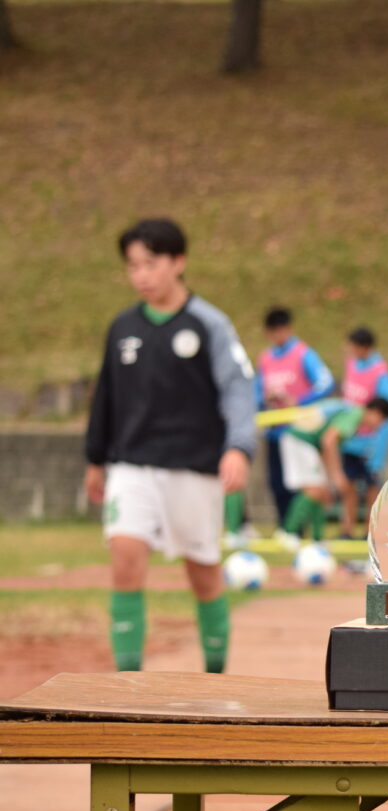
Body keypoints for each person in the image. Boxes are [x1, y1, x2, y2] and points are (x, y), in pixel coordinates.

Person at [84, 218, 257, 674]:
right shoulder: (122, 327)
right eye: (133, 265)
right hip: (132, 466)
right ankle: (127, 682)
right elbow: (106, 396)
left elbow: (238, 389)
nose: (141, 274)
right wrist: (95, 459)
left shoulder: (209, 324)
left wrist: (238, 447)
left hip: (194, 468)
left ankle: (215, 675)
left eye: (151, 263)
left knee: (203, 575)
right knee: (124, 558)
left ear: (178, 262)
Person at [257, 307, 334, 530]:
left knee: (303, 483)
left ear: (287, 329)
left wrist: (299, 402)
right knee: (277, 483)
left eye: (279, 330)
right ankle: (285, 529)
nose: (276, 336)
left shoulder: (303, 354)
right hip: (274, 431)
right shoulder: (266, 358)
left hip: (299, 432)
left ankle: (303, 530)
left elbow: (325, 383)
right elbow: (256, 390)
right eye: (271, 332)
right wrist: (265, 398)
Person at [279, 397, 388, 541]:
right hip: (301, 440)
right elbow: (328, 440)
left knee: (322, 491)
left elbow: (325, 445)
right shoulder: (355, 415)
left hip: (306, 442)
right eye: (382, 421)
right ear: (376, 413)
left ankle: (317, 539)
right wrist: (337, 475)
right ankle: (287, 533)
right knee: (314, 490)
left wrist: (328, 479)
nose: (379, 426)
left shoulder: (351, 413)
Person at [339, 327, 388, 535]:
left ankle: (369, 530)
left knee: (372, 487)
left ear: (365, 347)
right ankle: (347, 529)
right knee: (348, 485)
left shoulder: (381, 373)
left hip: (370, 442)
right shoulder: (352, 366)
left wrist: (378, 449)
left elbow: (387, 414)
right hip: (350, 440)